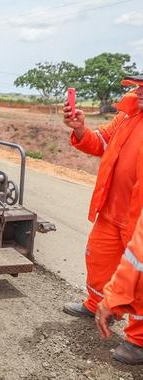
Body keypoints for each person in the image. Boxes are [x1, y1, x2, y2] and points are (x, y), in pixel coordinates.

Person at [62, 75, 143, 321]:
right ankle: (98, 305)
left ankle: (138, 340)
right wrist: (80, 129)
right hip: (111, 211)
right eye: (139, 86)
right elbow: (101, 142)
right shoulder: (128, 115)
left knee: (138, 278)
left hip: (138, 221)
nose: (139, 92)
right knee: (98, 259)